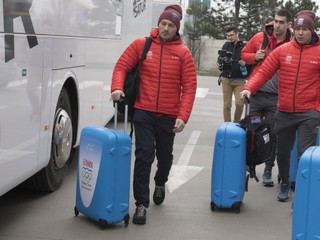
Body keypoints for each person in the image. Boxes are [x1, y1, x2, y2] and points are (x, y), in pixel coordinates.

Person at [110, 4, 197, 224]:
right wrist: (117, 88)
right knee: (144, 155)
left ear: (177, 29)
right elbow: (121, 66)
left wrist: (183, 116)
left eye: (170, 25)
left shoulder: (183, 54)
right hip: (144, 112)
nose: (166, 28)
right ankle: (141, 204)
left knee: (165, 157)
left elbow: (189, 88)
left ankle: (160, 182)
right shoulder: (142, 45)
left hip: (169, 116)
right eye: (163, 23)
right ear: (158, 24)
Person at [240, 10, 320, 202]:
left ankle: (302, 193)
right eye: (298, 29)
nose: (300, 33)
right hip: (283, 111)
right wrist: (249, 88)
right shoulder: (283, 51)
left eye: (305, 29)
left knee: (305, 155)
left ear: (312, 31)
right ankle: (284, 182)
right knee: (282, 153)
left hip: (308, 113)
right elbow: (263, 72)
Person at [241, 9, 292, 187]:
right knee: (252, 131)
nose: (277, 25)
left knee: (271, 134)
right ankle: (249, 165)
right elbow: (243, 55)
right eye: (276, 21)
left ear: (288, 24)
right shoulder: (259, 38)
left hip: (275, 99)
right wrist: (254, 57)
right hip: (256, 96)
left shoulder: (292, 43)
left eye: (281, 22)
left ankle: (269, 170)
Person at [217, 27, 249, 123]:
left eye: (231, 35)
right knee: (227, 105)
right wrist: (221, 61)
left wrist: (245, 63)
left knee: (240, 104)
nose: (229, 37)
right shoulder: (226, 45)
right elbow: (220, 60)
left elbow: (251, 62)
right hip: (226, 79)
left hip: (240, 80)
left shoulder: (244, 46)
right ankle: (227, 125)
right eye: (228, 35)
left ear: (237, 34)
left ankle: (235, 124)